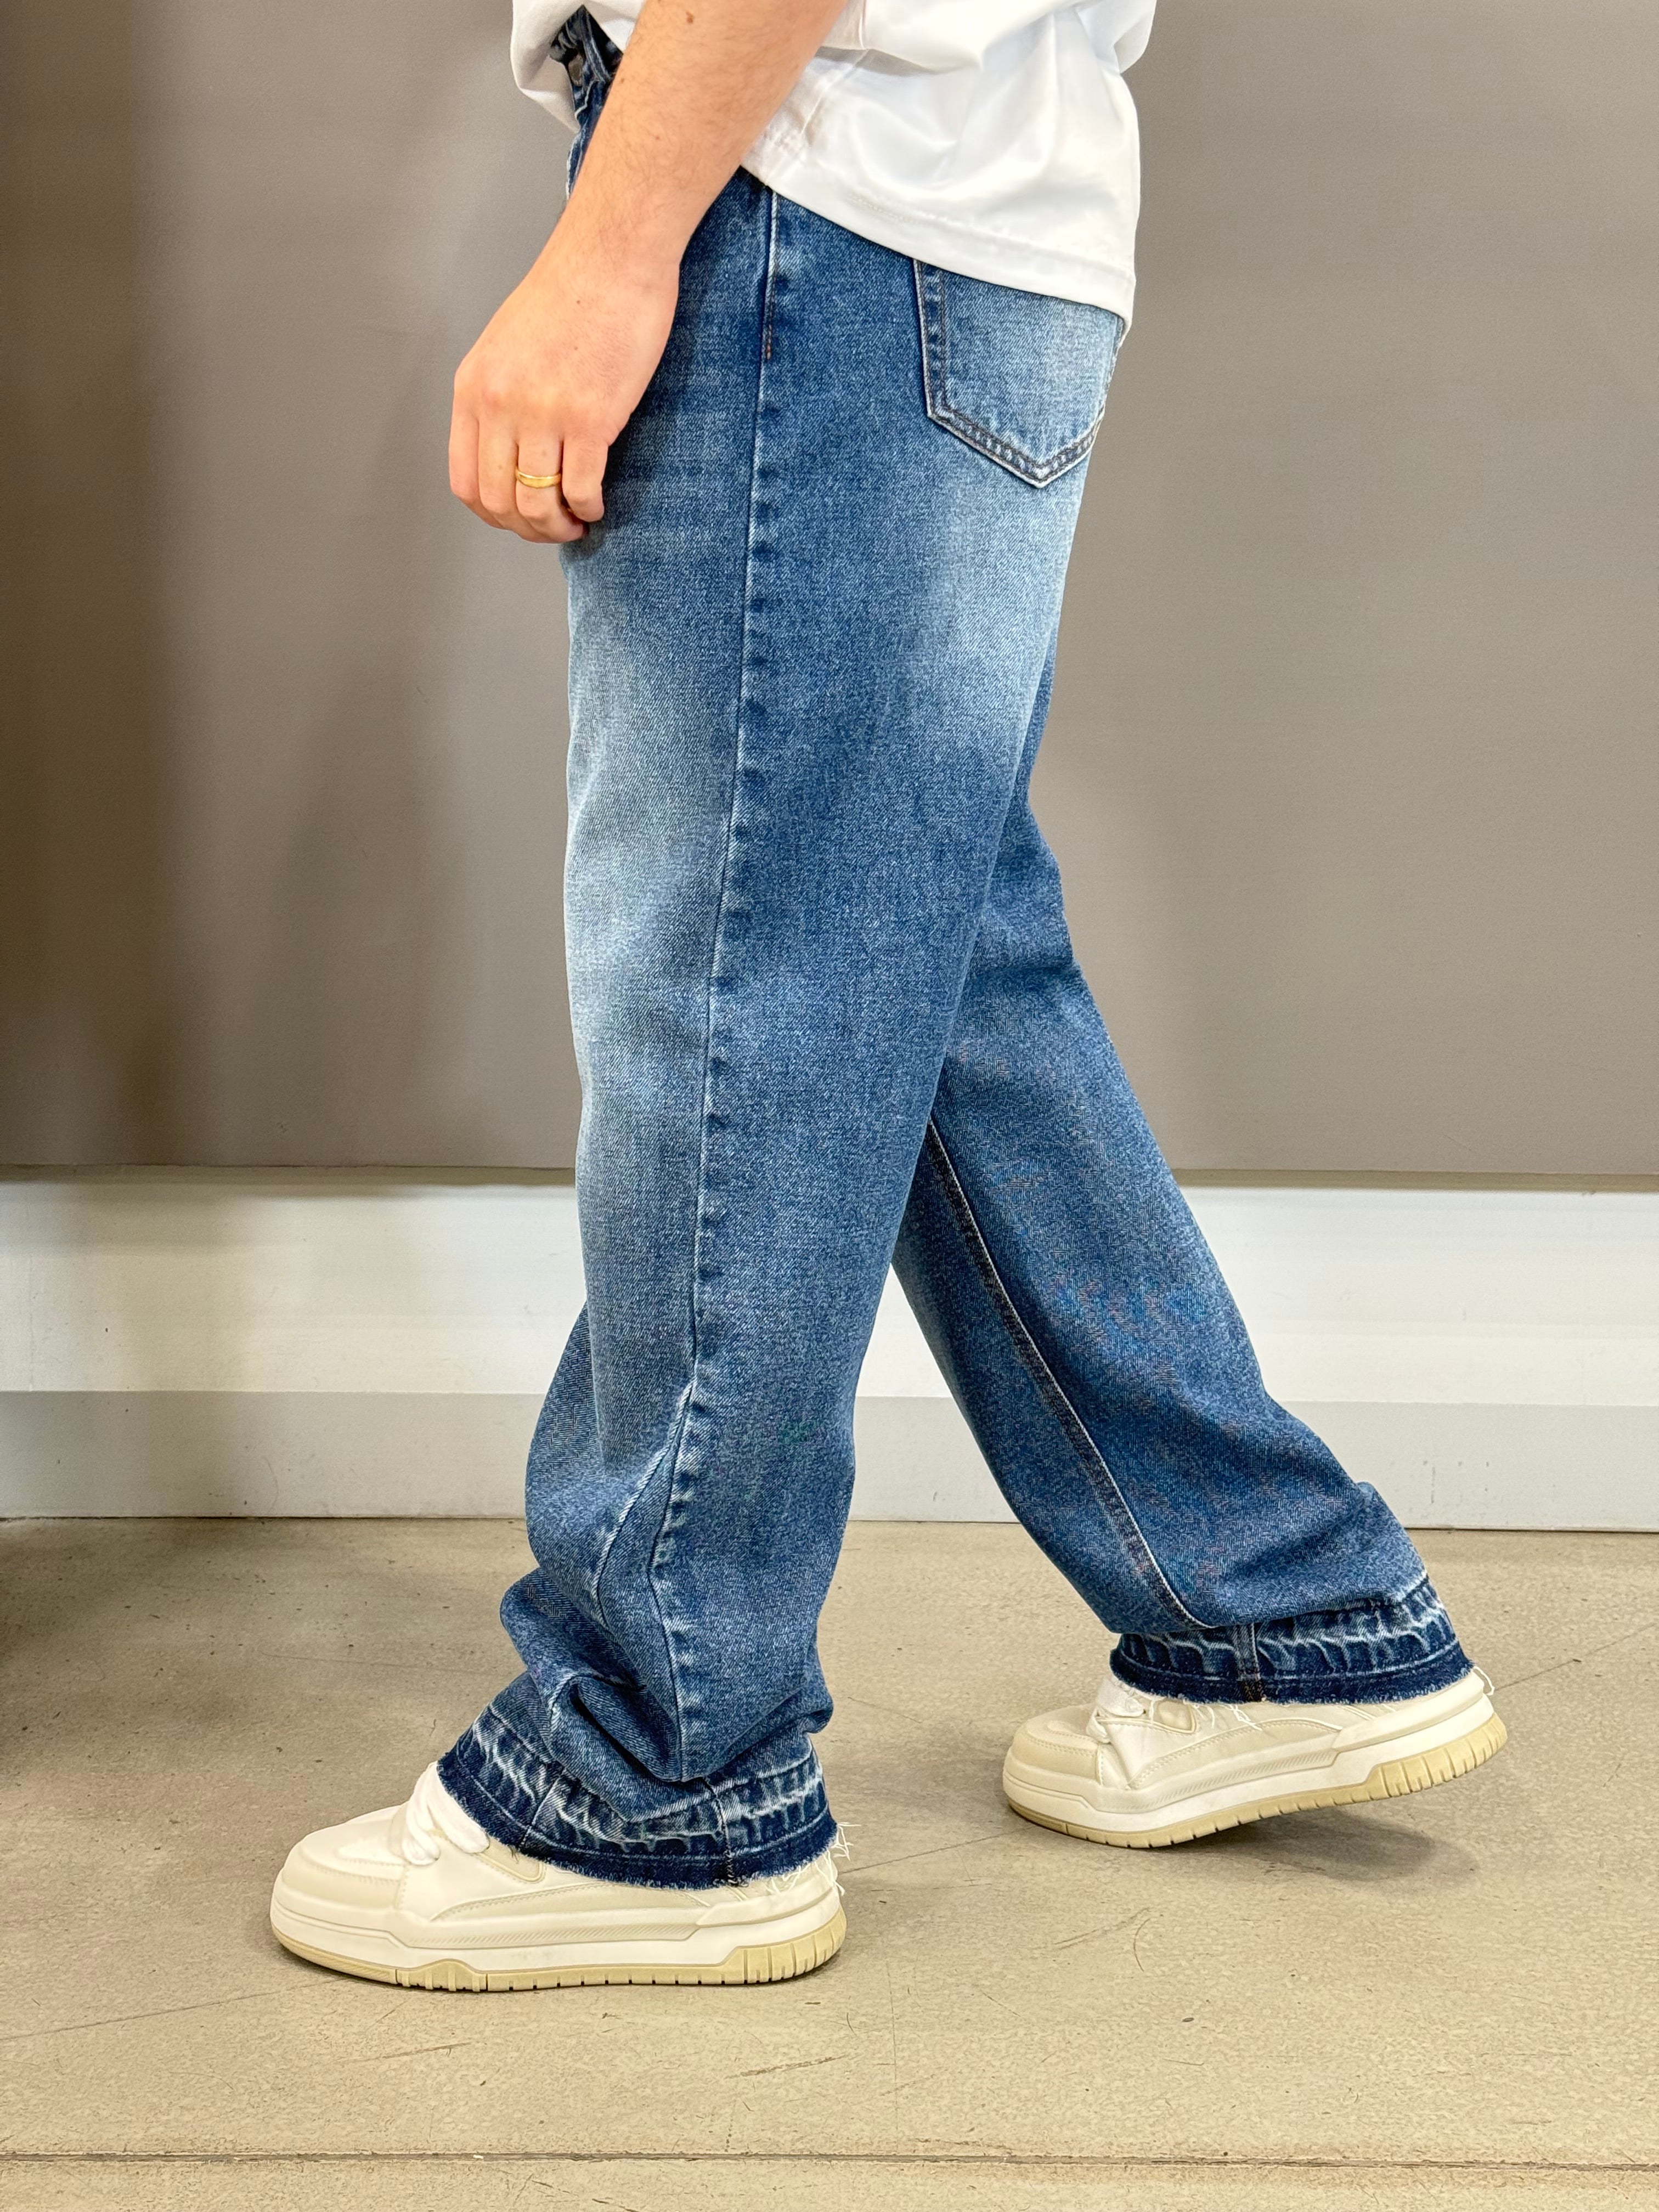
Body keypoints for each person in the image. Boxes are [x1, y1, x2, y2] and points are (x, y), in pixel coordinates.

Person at [270, 0, 1504, 1991]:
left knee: (733, 987)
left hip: (807, 203)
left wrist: (612, 244)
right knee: (907, 960)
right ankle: (1272, 1609)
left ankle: (654, 1768)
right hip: (960, 217)